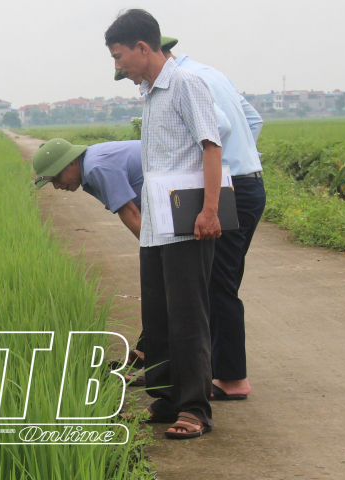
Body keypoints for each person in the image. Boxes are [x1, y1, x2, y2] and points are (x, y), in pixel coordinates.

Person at [116, 37, 266, 401]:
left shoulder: (184, 80)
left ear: (149, 50)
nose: (124, 70)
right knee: (215, 282)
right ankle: (217, 371)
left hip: (224, 187)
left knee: (215, 286)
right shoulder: (208, 72)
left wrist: (210, 175)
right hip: (244, 182)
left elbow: (217, 131)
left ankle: (230, 377)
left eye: (121, 58)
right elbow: (252, 120)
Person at [106, 9, 222, 439]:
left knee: (189, 318)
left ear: (142, 47)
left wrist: (209, 211)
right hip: (157, 225)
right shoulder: (150, 93)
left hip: (189, 222)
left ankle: (195, 408)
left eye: (119, 56)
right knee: (158, 318)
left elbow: (211, 147)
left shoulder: (186, 85)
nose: (117, 66)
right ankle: (167, 397)